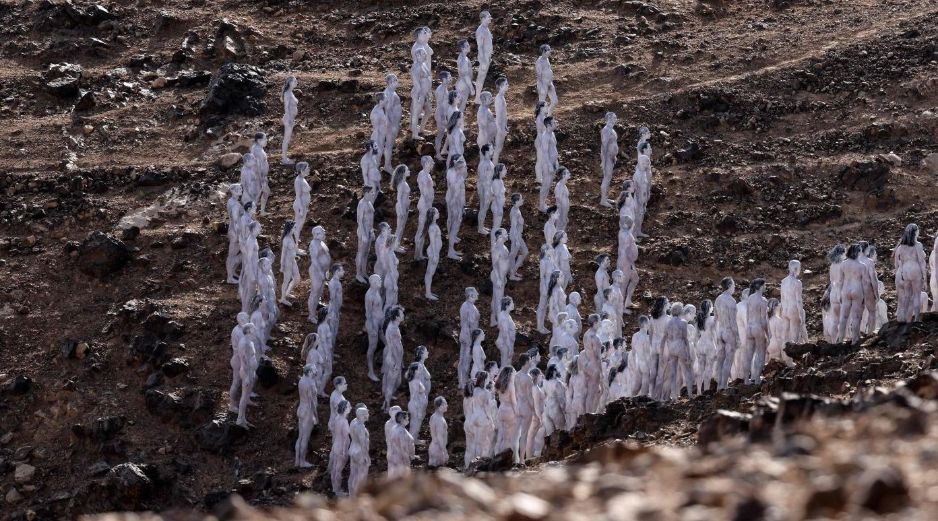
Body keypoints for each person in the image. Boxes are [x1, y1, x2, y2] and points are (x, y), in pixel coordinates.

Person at [839, 244, 877, 342]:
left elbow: (840, 281)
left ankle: (840, 339)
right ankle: (855, 339)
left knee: (844, 316)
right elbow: (864, 283)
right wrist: (865, 296)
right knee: (856, 316)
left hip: (846, 290)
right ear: (858, 252)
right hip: (857, 290)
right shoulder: (862, 266)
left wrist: (840, 293)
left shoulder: (843, 264)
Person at [894, 224, 928, 323]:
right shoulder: (918, 245)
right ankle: (916, 318)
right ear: (915, 232)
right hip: (915, 270)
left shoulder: (901, 247)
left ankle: (904, 319)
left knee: (907, 296)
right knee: (916, 295)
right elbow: (921, 262)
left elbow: (899, 262)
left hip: (905, 271)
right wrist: (925, 278)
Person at [744, 279, 769, 384]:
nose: (766, 287)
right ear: (761, 286)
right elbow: (763, 320)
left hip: (749, 328)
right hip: (758, 328)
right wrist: (768, 333)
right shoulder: (763, 300)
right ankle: (757, 378)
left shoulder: (750, 298)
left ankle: (746, 379)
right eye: (765, 285)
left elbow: (747, 315)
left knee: (749, 355)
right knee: (760, 353)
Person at [294, 364, 319, 468]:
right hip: (307, 411)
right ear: (309, 372)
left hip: (300, 408)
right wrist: (316, 416)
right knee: (305, 437)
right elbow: (311, 402)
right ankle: (302, 461)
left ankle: (297, 460)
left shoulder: (301, 380)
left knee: (300, 437)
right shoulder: (310, 383)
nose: (316, 371)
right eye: (314, 370)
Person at [493, 366, 520, 462]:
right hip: (510, 412)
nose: (515, 374)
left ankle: (497, 457)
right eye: (514, 373)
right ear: (510, 374)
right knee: (510, 438)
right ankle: (508, 460)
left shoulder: (499, 385)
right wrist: (518, 415)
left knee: (500, 437)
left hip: (501, 411)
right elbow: (514, 402)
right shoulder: (511, 385)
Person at [235, 323, 258, 428]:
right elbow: (244, 361)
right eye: (253, 328)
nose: (255, 329)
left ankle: (243, 418)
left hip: (250, 371)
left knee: (246, 395)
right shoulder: (245, 343)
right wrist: (248, 376)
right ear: (249, 330)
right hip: (246, 372)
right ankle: (240, 419)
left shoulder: (249, 341)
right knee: (244, 396)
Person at [779, 260, 808, 346]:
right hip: (793, 309)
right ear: (796, 269)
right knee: (794, 337)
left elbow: (782, 298)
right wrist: (801, 314)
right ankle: (793, 356)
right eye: (799, 268)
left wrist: (781, 311)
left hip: (785, 309)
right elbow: (798, 300)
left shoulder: (783, 282)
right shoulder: (797, 283)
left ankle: (784, 355)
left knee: (785, 335)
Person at [382, 306, 405, 411]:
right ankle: (386, 406)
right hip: (393, 359)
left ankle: (387, 399)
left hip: (396, 359)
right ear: (396, 317)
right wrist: (397, 362)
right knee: (391, 383)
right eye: (401, 314)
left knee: (397, 381)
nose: (403, 315)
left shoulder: (394, 326)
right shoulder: (392, 329)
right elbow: (393, 347)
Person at [414, 156, 436, 261]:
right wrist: (429, 206)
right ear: (426, 163)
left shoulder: (427, 175)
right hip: (425, 205)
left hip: (427, 204)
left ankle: (419, 254)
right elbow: (424, 191)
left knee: (423, 230)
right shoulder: (422, 175)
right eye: (431, 162)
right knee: (421, 230)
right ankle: (417, 254)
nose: (433, 163)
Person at [445, 154, 467, 259]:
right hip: (454, 201)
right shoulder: (454, 176)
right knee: (454, 222)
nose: (465, 169)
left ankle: (452, 241)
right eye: (463, 167)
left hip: (457, 201)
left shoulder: (459, 176)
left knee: (457, 221)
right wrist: (457, 204)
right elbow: (454, 193)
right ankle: (450, 250)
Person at [307, 226, 331, 321]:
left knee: (319, 293)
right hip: (316, 272)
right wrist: (321, 272)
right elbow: (314, 260)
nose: (324, 233)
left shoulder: (321, 242)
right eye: (322, 232)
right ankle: (311, 315)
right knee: (314, 293)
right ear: (316, 234)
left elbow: (326, 256)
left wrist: (327, 270)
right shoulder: (313, 244)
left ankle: (314, 313)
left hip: (323, 271)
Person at [327, 400, 351, 496]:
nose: (351, 408)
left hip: (336, 445)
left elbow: (333, 429)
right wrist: (344, 451)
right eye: (349, 406)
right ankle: (337, 490)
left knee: (335, 469)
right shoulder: (344, 421)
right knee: (338, 469)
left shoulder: (337, 418)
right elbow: (345, 437)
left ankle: (334, 488)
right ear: (345, 409)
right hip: (341, 447)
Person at [458, 288, 481, 388]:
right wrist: (471, 338)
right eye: (476, 293)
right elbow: (469, 323)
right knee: (466, 359)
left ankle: (462, 381)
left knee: (463, 359)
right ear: (471, 295)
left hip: (467, 334)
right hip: (468, 335)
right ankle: (463, 381)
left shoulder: (470, 306)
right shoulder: (467, 307)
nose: (478, 294)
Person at [617, 215, 639, 311]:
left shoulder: (622, 232)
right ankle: (621, 308)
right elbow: (626, 250)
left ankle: (628, 301)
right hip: (626, 262)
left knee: (635, 279)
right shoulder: (626, 235)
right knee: (623, 285)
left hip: (627, 261)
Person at [363, 274, 383, 382]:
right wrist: (372, 328)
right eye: (379, 280)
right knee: (372, 347)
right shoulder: (369, 295)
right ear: (373, 282)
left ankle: (384, 366)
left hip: (379, 322)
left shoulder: (376, 292)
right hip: (373, 323)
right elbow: (368, 313)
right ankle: (370, 371)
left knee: (387, 343)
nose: (381, 281)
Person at [355, 188, 377, 283]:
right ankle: (358, 274)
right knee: (361, 253)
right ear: (366, 193)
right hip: (362, 231)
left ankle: (363, 272)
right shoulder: (362, 203)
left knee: (366, 253)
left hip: (369, 230)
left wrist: (371, 232)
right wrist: (363, 234)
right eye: (371, 192)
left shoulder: (369, 203)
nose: (373, 194)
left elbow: (371, 219)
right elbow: (359, 220)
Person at [536, 117, 559, 211]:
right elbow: (544, 153)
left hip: (553, 162)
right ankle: (541, 205)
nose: (556, 123)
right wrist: (549, 165)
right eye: (554, 122)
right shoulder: (545, 136)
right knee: (545, 185)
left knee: (549, 184)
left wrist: (556, 161)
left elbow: (554, 149)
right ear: (549, 125)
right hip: (547, 164)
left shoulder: (552, 134)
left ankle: (544, 202)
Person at [694, 301, 716, 394]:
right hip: (710, 344)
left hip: (700, 344)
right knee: (708, 368)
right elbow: (715, 335)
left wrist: (695, 347)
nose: (713, 307)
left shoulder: (698, 320)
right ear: (709, 307)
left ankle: (699, 391)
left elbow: (696, 336)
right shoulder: (712, 319)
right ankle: (706, 390)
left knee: (700, 369)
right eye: (712, 306)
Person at [348, 404, 370, 495]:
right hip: (360, 453)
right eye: (367, 413)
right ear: (362, 415)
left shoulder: (353, 421)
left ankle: (351, 495)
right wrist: (367, 456)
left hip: (352, 449)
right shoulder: (360, 427)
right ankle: (358, 496)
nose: (368, 415)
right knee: (361, 476)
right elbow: (363, 443)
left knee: (353, 474)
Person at [382, 75, 403, 173]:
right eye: (395, 80)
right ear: (390, 82)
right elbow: (387, 111)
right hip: (391, 123)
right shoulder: (389, 94)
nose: (397, 81)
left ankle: (387, 164)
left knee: (389, 145)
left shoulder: (391, 92)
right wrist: (391, 125)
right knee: (389, 145)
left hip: (394, 122)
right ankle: (387, 166)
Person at [410, 49, 433, 138]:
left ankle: (421, 129)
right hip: (419, 94)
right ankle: (415, 134)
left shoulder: (424, 64)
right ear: (418, 55)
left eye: (425, 54)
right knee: (416, 113)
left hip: (425, 93)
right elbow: (416, 83)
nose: (425, 55)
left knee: (429, 111)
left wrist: (429, 92)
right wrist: (419, 96)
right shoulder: (415, 67)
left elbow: (428, 79)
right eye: (423, 54)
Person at [491, 229, 511, 325]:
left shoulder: (504, 247)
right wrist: (499, 278)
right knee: (498, 299)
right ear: (499, 237)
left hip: (502, 277)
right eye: (505, 234)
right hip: (497, 277)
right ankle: (499, 321)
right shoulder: (496, 249)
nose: (507, 235)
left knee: (496, 297)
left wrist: (504, 276)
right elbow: (494, 265)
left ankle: (493, 319)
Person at [387, 411, 415, 478]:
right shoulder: (401, 431)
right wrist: (408, 459)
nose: (408, 420)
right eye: (407, 419)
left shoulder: (394, 428)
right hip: (401, 458)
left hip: (394, 456)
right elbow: (403, 447)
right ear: (402, 419)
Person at [507, 193, 529, 281]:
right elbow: (513, 227)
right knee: (520, 253)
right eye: (520, 199)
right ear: (516, 202)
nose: (522, 200)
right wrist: (516, 240)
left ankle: (513, 271)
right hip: (516, 236)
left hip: (518, 236)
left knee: (515, 254)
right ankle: (512, 274)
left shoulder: (516, 209)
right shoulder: (515, 212)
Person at [225, 184, 244, 283]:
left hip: (232, 230)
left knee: (233, 254)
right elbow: (236, 220)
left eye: (241, 188)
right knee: (232, 255)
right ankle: (230, 278)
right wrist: (239, 234)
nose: (241, 190)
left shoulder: (231, 201)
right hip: (235, 231)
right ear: (232, 191)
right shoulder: (235, 205)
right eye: (238, 189)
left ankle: (232, 273)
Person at [279, 221, 301, 306]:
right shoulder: (286, 239)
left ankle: (287, 292)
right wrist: (282, 265)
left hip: (293, 261)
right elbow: (283, 254)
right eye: (294, 227)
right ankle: (283, 298)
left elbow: (293, 250)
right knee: (286, 280)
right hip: (287, 262)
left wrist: (295, 255)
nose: (295, 229)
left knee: (297, 278)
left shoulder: (292, 237)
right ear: (290, 228)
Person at [827, 245, 846, 340]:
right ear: (842, 253)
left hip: (833, 293)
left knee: (835, 320)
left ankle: (834, 341)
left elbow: (831, 280)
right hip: (841, 292)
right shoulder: (843, 265)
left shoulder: (832, 265)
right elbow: (842, 281)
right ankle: (842, 340)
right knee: (843, 319)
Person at [599, 112, 618, 206]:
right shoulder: (606, 130)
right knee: (606, 177)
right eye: (614, 118)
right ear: (609, 118)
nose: (616, 120)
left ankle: (605, 197)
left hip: (611, 158)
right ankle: (603, 200)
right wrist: (603, 160)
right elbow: (604, 146)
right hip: (607, 158)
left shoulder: (612, 130)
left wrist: (614, 156)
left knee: (609, 177)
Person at [474, 11, 493, 103]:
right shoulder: (481, 30)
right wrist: (484, 59)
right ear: (483, 18)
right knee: (480, 77)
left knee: (482, 77)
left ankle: (478, 97)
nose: (490, 18)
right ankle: (477, 98)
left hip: (487, 56)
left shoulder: (486, 28)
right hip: (484, 57)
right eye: (488, 17)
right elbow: (480, 46)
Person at [477, 144, 496, 234]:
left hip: (487, 188)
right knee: (483, 208)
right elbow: (484, 180)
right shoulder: (484, 164)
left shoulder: (488, 162)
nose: (493, 150)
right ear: (487, 151)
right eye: (492, 149)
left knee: (484, 208)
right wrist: (490, 192)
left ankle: (482, 226)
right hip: (485, 189)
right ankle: (480, 228)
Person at [292, 162, 312, 247]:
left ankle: (295, 241)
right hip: (300, 206)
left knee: (299, 227)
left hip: (304, 206)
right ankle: (295, 247)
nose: (309, 169)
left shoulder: (302, 179)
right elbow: (298, 196)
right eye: (307, 168)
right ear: (301, 170)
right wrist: (300, 209)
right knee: (298, 227)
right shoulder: (298, 181)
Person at [392, 165, 411, 253]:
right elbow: (398, 198)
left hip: (405, 207)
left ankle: (398, 244)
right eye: (407, 170)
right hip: (401, 207)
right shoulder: (401, 184)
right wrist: (401, 209)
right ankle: (395, 246)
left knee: (402, 227)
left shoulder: (404, 182)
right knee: (399, 228)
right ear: (403, 173)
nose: (409, 171)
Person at [251, 133, 271, 215]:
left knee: (265, 192)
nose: (266, 140)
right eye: (265, 139)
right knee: (257, 195)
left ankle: (261, 211)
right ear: (259, 140)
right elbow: (258, 166)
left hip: (261, 176)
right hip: (259, 177)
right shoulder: (257, 151)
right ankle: (251, 214)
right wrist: (262, 179)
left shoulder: (258, 148)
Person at [434, 72, 453, 155]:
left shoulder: (445, 88)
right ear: (444, 79)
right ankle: (437, 154)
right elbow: (440, 106)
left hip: (444, 115)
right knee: (440, 135)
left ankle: (444, 150)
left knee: (450, 131)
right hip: (441, 115)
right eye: (449, 77)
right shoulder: (441, 90)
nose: (451, 78)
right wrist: (444, 118)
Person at [535, 44, 558, 114]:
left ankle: (548, 116)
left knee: (555, 101)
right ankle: (540, 119)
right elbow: (539, 76)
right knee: (541, 103)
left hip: (549, 83)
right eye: (548, 50)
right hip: (543, 84)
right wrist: (541, 87)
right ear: (543, 51)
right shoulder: (539, 62)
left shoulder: (547, 59)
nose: (550, 51)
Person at [281, 76, 298, 165]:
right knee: (286, 139)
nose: (296, 82)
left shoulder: (290, 93)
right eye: (294, 81)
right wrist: (290, 119)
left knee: (287, 139)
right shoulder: (287, 94)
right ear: (290, 82)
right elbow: (286, 108)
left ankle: (285, 158)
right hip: (289, 118)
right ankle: (284, 159)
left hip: (290, 118)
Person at [496, 297, 517, 367]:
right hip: (505, 343)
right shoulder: (503, 317)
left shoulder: (507, 315)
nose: (513, 304)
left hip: (508, 343)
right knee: (505, 365)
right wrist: (510, 347)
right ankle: (503, 377)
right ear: (507, 305)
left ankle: (507, 377)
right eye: (512, 303)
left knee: (508, 364)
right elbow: (505, 334)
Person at [428, 396, 449, 467]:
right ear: (440, 406)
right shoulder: (440, 420)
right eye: (445, 404)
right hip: (438, 450)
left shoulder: (433, 416)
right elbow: (439, 436)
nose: (447, 405)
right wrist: (444, 451)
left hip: (433, 447)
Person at [455, 40, 474, 115]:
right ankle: (456, 125)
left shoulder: (464, 57)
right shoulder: (463, 60)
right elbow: (465, 75)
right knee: (461, 107)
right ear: (462, 48)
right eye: (467, 46)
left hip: (462, 83)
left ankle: (457, 125)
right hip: (464, 84)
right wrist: (471, 87)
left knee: (460, 106)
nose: (469, 47)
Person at [493, 76, 509, 163]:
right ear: (500, 86)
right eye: (506, 84)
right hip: (499, 126)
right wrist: (500, 129)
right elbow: (499, 115)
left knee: (499, 148)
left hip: (502, 125)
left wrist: (505, 126)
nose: (508, 85)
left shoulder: (502, 97)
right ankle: (493, 169)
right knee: (497, 149)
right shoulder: (499, 98)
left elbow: (504, 114)